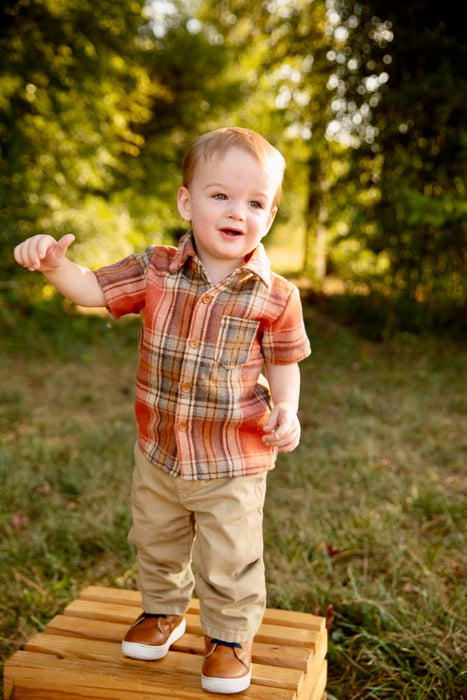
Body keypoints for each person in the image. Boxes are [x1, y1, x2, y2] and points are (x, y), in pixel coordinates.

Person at [14, 126, 311, 694]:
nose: (235, 211)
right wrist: (54, 266)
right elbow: (92, 290)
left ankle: (227, 639)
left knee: (231, 555)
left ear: (269, 217)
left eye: (253, 203)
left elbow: (284, 362)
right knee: (156, 540)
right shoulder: (155, 268)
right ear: (187, 201)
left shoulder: (277, 296)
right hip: (159, 452)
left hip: (233, 456)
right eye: (219, 195)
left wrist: (288, 410)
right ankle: (163, 612)